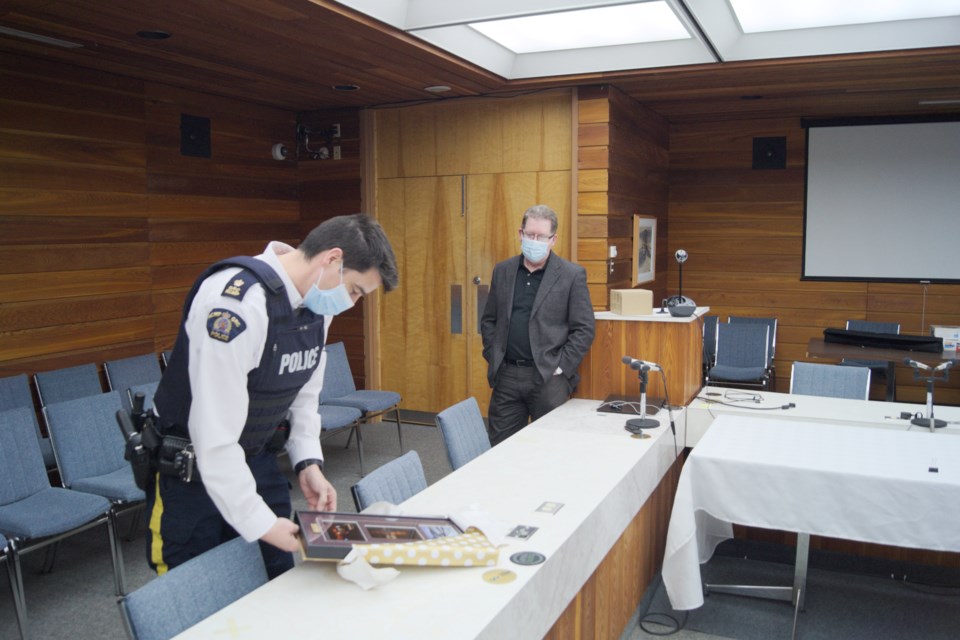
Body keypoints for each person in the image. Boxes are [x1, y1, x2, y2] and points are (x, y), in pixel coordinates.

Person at [147, 213, 398, 579]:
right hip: (191, 474)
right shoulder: (236, 304)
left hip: (256, 457)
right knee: (197, 599)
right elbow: (213, 436)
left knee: (276, 582)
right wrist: (255, 519)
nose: (353, 303)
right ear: (332, 259)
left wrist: (307, 461)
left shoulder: (316, 305)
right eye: (356, 290)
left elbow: (304, 394)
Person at [480, 204, 595, 445]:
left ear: (553, 239)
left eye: (541, 236)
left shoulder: (571, 275)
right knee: (501, 449)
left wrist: (561, 367)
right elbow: (489, 320)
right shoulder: (503, 270)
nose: (535, 240)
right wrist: (494, 356)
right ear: (520, 233)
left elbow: (584, 328)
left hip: (548, 378)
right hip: (507, 376)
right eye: (530, 234)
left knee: (549, 449)